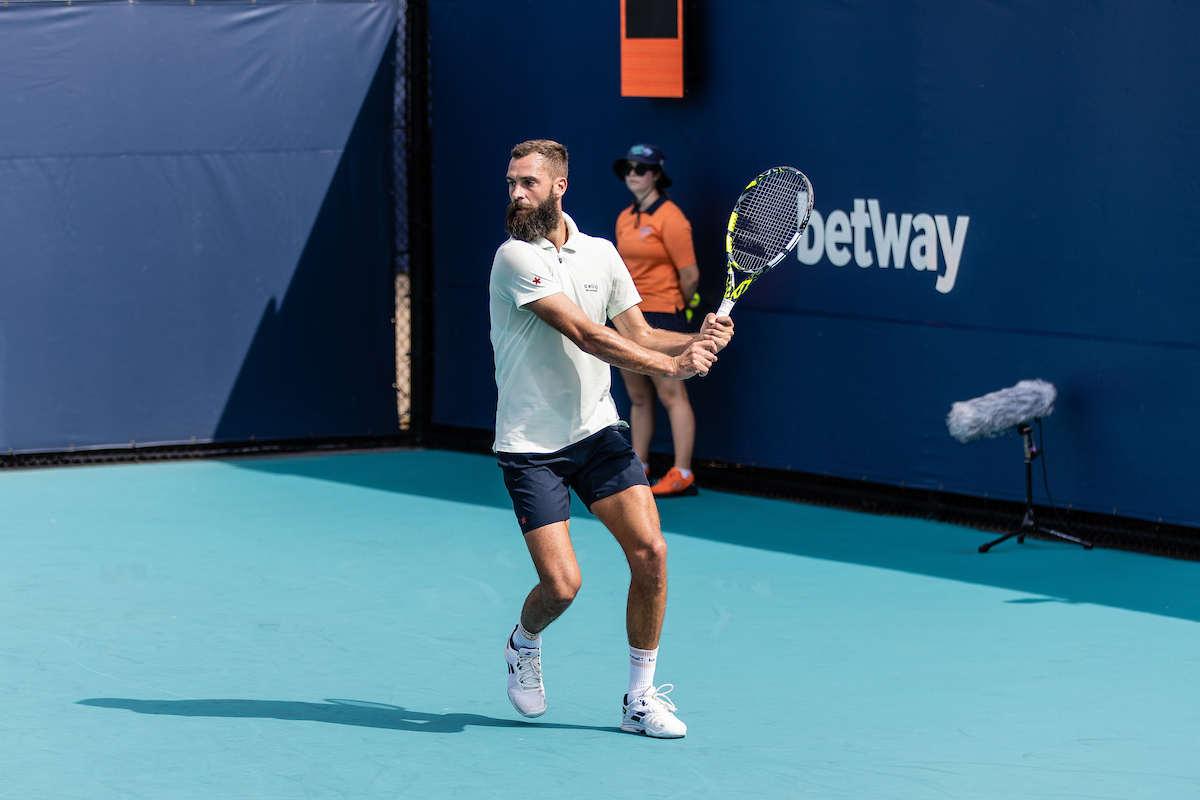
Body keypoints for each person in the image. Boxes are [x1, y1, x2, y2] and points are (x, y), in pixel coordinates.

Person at [489, 139, 733, 738]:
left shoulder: (601, 255)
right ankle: (523, 642)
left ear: (559, 186)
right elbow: (585, 334)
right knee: (563, 586)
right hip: (531, 446)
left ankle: (639, 700)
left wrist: (695, 338)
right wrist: (673, 367)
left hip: (597, 431)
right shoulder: (513, 258)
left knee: (650, 553)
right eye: (512, 183)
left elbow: (640, 333)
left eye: (529, 183)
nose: (517, 194)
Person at [611, 144, 701, 498]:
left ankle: (682, 472)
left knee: (671, 392)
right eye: (629, 168)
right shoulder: (623, 218)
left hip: (663, 312)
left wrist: (678, 304)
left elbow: (690, 275)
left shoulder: (672, 218)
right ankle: (640, 467)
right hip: (627, 314)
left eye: (642, 169)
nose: (633, 174)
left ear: (657, 175)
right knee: (637, 396)